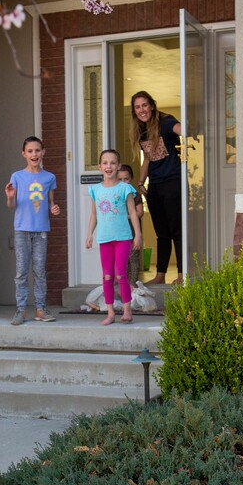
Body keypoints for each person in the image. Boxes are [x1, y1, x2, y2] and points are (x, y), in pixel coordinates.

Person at [129, 90, 183, 285]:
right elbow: (148, 160)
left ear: (151, 105)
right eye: (138, 107)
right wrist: (141, 183)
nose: (142, 110)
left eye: (144, 105)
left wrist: (188, 128)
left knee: (176, 230)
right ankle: (160, 275)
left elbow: (180, 129)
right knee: (162, 232)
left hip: (173, 182)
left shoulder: (165, 121)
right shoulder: (142, 130)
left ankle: (181, 274)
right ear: (134, 111)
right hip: (155, 185)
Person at [5, 136, 60, 325]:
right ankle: (20, 310)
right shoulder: (17, 176)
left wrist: (54, 209)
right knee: (21, 271)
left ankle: (40, 308)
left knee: (39, 271)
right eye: (30, 151)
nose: (34, 154)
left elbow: (51, 203)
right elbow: (12, 205)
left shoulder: (49, 177)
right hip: (22, 230)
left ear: (43, 152)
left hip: (41, 230)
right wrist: (11, 197)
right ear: (24, 154)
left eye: (37, 150)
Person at [85, 149, 142, 326]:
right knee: (107, 276)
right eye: (105, 163)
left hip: (123, 238)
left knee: (120, 274)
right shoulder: (95, 190)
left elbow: (133, 213)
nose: (108, 166)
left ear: (118, 166)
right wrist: (89, 235)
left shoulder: (125, 188)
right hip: (105, 239)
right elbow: (94, 215)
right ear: (100, 166)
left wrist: (138, 235)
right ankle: (110, 312)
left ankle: (127, 310)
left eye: (112, 163)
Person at [117, 163, 145, 287]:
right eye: (120, 179)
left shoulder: (135, 195)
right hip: (119, 233)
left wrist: (127, 216)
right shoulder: (115, 196)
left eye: (126, 179)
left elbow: (140, 212)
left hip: (133, 233)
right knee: (121, 260)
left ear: (131, 179)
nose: (123, 182)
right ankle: (121, 284)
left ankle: (133, 285)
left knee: (133, 259)